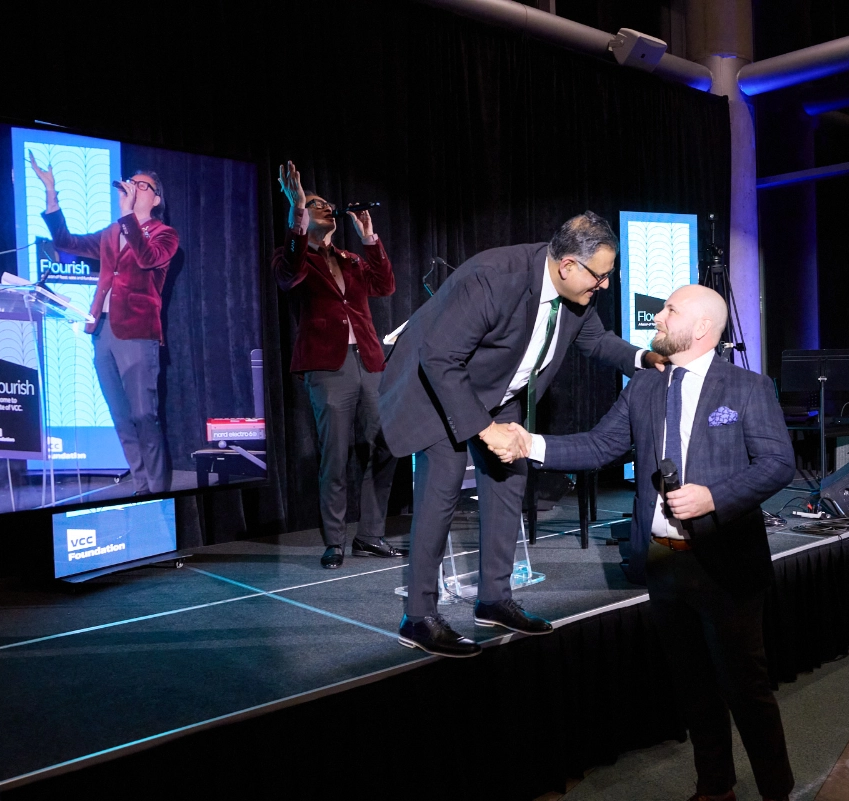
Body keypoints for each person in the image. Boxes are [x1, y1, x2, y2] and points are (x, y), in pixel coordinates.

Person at [496, 285, 796, 801]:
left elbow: (777, 464)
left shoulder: (747, 387)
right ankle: (715, 788)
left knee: (746, 690)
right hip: (663, 561)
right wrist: (530, 444)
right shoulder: (644, 385)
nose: (658, 316)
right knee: (694, 688)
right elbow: (601, 445)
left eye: (670, 309)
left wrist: (714, 498)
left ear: (702, 328)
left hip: (727, 563)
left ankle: (776, 791)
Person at [378, 211, 668, 657]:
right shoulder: (494, 277)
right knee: (441, 494)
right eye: (601, 276)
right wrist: (484, 429)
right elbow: (439, 358)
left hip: (500, 391)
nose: (605, 285)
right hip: (439, 393)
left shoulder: (576, 293)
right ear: (568, 265)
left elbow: (596, 341)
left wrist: (643, 359)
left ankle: (494, 601)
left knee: (508, 487)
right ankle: (418, 618)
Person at [272, 161, 405, 569]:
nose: (327, 208)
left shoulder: (350, 258)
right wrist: (298, 208)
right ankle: (334, 541)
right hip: (328, 368)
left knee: (386, 445)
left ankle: (370, 535)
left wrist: (369, 239)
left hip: (370, 362)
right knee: (335, 456)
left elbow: (385, 285)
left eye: (328, 204)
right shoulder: (293, 256)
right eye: (317, 204)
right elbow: (289, 273)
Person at [30, 153, 177, 495]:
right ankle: (142, 485)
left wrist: (128, 217)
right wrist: (51, 192)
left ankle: (159, 488)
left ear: (156, 199)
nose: (133, 188)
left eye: (142, 186)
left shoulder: (165, 235)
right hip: (103, 330)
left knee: (144, 414)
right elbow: (67, 242)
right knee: (121, 416)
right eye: (131, 183)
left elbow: (147, 258)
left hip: (138, 332)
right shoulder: (112, 232)